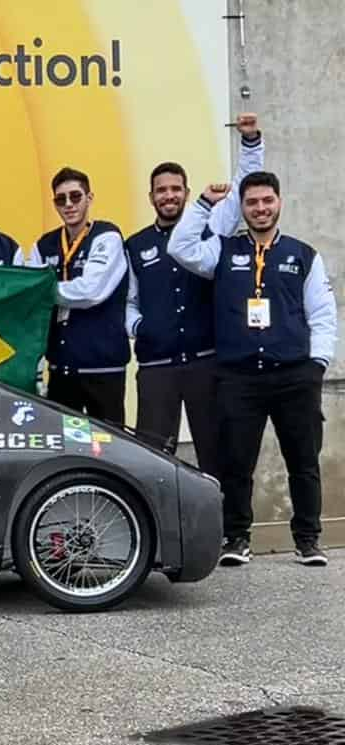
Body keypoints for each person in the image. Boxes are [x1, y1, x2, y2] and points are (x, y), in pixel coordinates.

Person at [168, 172, 337, 567]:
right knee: (236, 461)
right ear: (242, 208)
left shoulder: (303, 255)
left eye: (267, 201)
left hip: (294, 375)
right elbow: (180, 246)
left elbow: (324, 315)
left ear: (279, 202)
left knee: (303, 459)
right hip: (239, 377)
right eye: (252, 202)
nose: (261, 208)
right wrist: (205, 204)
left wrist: (318, 364)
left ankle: (308, 539)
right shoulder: (222, 251)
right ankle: (237, 537)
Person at [124, 114, 265, 476]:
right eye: (161, 190)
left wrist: (251, 142)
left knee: (216, 452)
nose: (168, 196)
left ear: (187, 193)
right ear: (151, 196)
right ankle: (161, 532)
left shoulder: (211, 226)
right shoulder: (135, 245)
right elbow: (128, 302)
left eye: (175, 189)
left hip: (206, 363)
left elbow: (244, 188)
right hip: (156, 368)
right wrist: (141, 327)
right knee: (152, 458)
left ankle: (226, 530)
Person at [26, 168, 131, 425]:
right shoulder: (43, 245)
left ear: (89, 197)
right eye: (61, 199)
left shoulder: (107, 236)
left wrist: (45, 291)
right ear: (54, 204)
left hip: (103, 368)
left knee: (108, 448)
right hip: (61, 369)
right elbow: (27, 290)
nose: (69, 204)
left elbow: (91, 290)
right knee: (64, 448)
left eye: (75, 196)